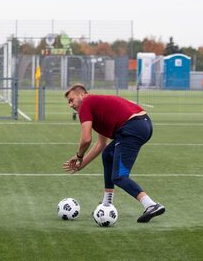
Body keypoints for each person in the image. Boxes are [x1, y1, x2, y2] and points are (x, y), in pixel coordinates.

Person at [63, 83, 165, 223]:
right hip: (143, 124)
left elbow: (86, 139)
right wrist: (82, 164)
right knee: (108, 155)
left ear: (81, 95)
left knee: (119, 177)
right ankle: (107, 202)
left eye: (71, 100)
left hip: (132, 127)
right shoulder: (95, 105)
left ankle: (151, 205)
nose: (70, 105)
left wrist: (79, 156)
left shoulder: (86, 104)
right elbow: (101, 144)